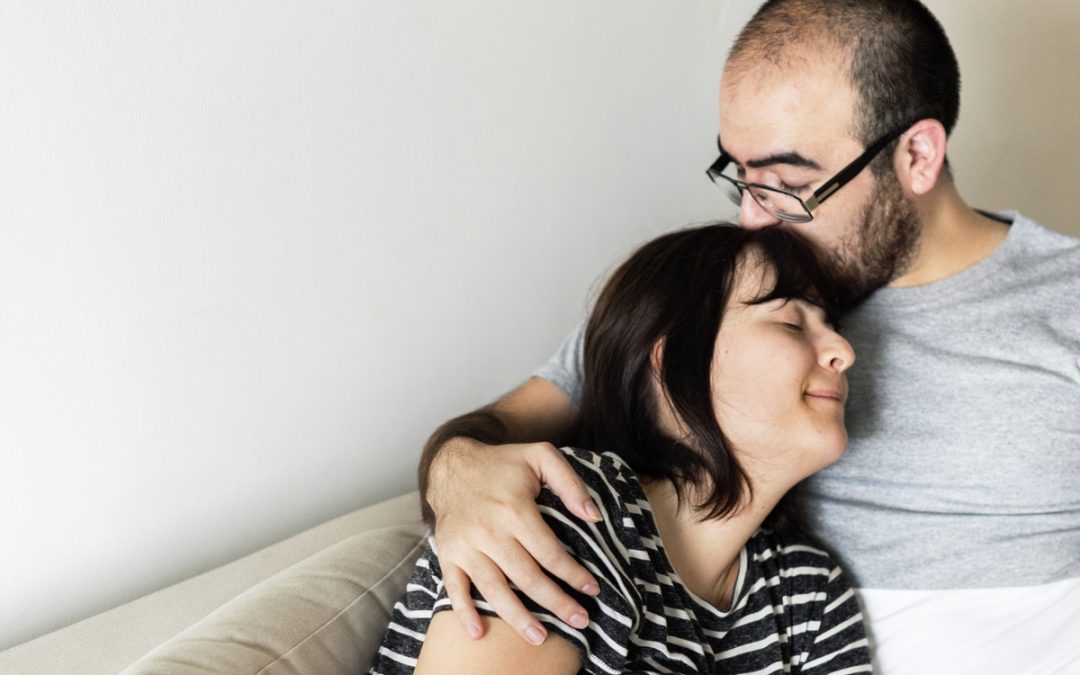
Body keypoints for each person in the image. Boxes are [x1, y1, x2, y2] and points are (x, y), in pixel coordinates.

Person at [416, 1, 1080, 673]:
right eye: (740, 174)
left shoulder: (1066, 301)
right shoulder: (727, 302)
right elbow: (493, 433)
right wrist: (456, 473)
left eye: (788, 184)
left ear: (917, 154)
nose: (751, 216)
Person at [373, 224, 871, 673]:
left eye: (830, 327)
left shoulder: (809, 592)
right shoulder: (567, 511)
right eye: (790, 322)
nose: (843, 353)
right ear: (675, 358)